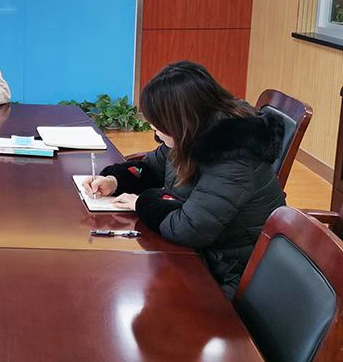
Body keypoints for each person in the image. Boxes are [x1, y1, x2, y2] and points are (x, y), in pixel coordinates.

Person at [82, 61, 286, 297]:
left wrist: (142, 203)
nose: (153, 127)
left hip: (235, 275)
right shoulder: (196, 131)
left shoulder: (233, 157)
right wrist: (115, 180)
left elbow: (189, 229)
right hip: (206, 256)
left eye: (158, 122)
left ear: (181, 120)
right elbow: (152, 167)